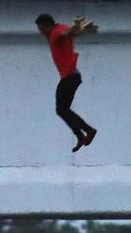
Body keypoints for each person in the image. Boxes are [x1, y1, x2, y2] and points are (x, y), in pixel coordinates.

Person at [35, 13, 97, 153]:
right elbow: (71, 33)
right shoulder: (60, 28)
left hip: (69, 76)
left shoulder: (56, 33)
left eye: (41, 29)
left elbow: (65, 34)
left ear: (47, 25)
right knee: (63, 109)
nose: (40, 32)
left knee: (61, 109)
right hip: (71, 76)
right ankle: (84, 133)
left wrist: (76, 28)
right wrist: (84, 30)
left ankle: (86, 132)